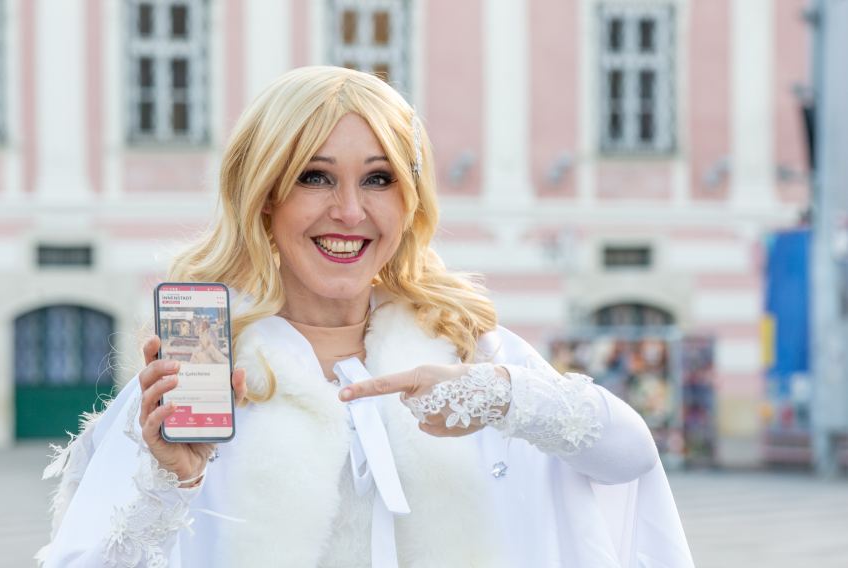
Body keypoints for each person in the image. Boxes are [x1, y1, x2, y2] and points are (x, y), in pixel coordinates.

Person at [37, 66, 693, 567]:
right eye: (315, 178)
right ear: (265, 198)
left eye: (378, 180)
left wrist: (498, 398)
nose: (350, 212)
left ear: (410, 201)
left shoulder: (466, 349)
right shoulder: (205, 373)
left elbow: (630, 458)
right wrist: (170, 483)